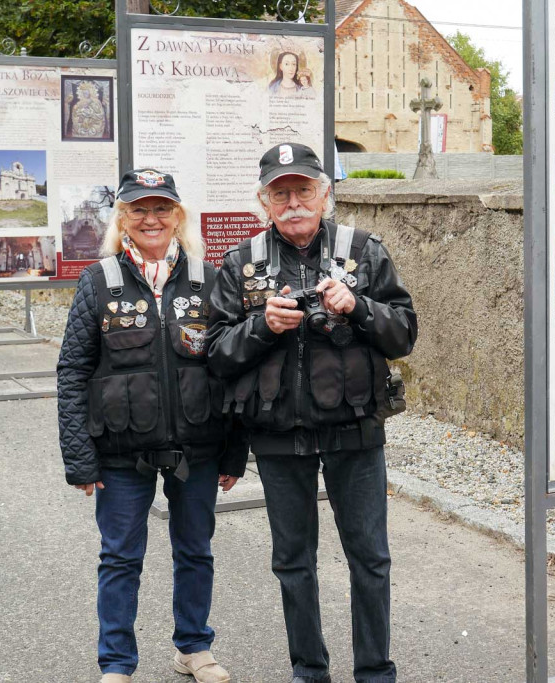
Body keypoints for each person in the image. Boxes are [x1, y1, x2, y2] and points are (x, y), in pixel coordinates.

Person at [208, 143, 417, 683]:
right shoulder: (241, 263)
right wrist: (262, 326)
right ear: (264, 201)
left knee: (370, 559)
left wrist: (359, 306)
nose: (294, 202)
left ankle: (375, 672)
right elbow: (215, 352)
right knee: (293, 563)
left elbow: (404, 333)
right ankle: (309, 671)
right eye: (281, 193)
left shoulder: (364, 250)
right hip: (279, 435)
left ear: (325, 194)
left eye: (304, 190)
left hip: (355, 429)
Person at [57, 168, 245, 683]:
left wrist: (234, 451)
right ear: (123, 218)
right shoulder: (99, 280)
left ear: (178, 216)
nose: (151, 218)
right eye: (139, 209)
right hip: (120, 449)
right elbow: (72, 371)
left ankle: (194, 648)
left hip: (199, 444)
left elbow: (232, 369)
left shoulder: (211, 279)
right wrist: (79, 458)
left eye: (162, 208)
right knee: (119, 558)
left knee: (195, 550)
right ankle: (117, 663)